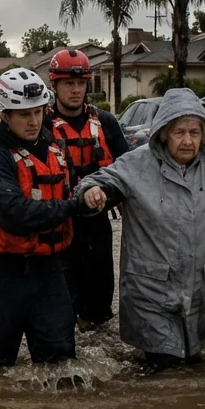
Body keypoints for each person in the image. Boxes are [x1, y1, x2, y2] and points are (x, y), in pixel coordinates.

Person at [77, 88, 205, 374]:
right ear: (164, 133)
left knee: (196, 371)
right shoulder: (137, 163)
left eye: (194, 132)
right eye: (179, 132)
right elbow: (101, 182)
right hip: (151, 290)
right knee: (167, 370)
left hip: (203, 289)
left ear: (204, 134)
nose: (188, 141)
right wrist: (93, 192)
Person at [0, 68, 91, 369]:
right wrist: (75, 205)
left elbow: (74, 185)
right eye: (24, 115)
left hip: (49, 269)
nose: (34, 122)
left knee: (61, 365)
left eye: (38, 112)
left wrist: (94, 192)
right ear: (4, 115)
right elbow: (16, 215)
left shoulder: (55, 148)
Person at [44, 48, 130, 332]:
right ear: (54, 85)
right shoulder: (41, 125)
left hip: (97, 225)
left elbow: (128, 171)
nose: (76, 90)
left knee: (100, 308)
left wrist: (107, 195)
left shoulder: (106, 123)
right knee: (61, 305)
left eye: (81, 84)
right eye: (69, 84)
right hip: (57, 224)